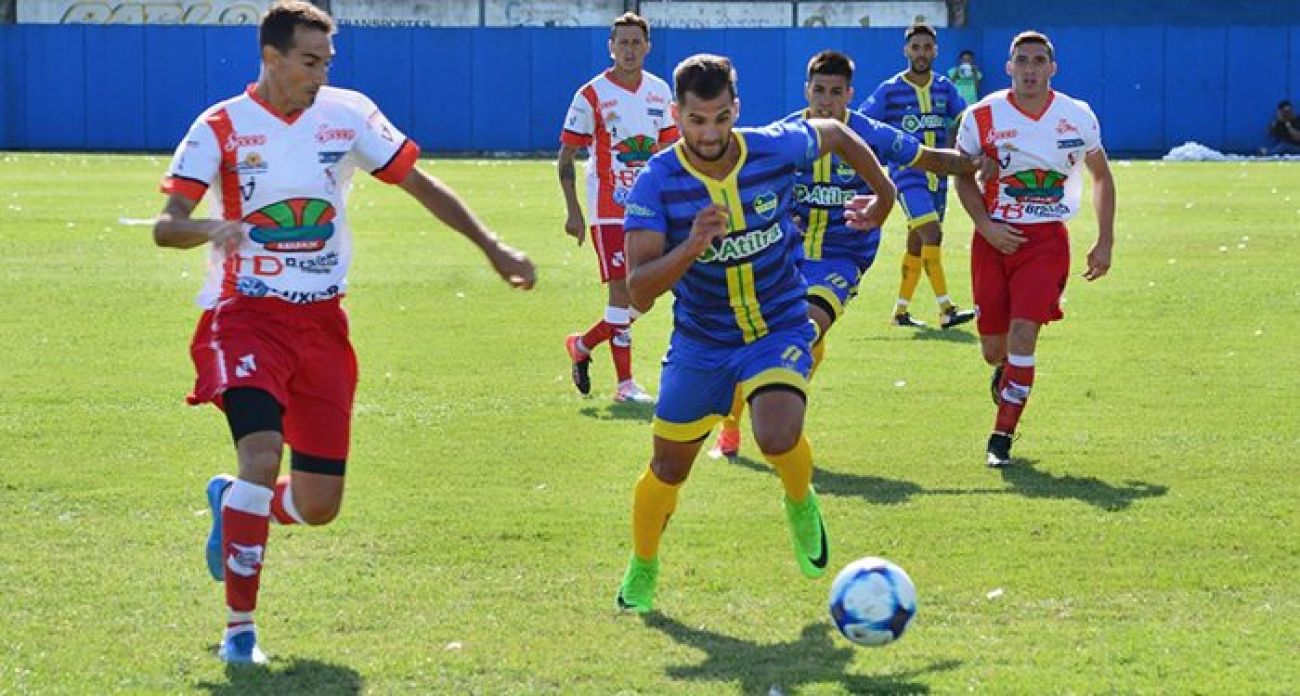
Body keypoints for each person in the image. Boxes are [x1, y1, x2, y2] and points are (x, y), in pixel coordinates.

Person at [153, 1, 536, 664]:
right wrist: (209, 228)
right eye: (309, 62)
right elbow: (168, 226)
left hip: (324, 322)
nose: (320, 75)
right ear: (271, 57)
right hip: (245, 315)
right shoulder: (219, 126)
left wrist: (492, 246)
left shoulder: (348, 114)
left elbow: (419, 184)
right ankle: (240, 634)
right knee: (261, 456)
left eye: (327, 62)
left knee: (318, 505)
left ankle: (237, 506)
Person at [614, 53, 895, 613]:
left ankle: (800, 500)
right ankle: (643, 565)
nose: (709, 133)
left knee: (776, 434)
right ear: (677, 115)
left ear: (736, 110)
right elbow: (639, 291)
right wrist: (691, 246)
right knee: (668, 468)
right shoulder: (657, 182)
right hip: (702, 340)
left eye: (721, 118)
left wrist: (884, 196)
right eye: (697, 120)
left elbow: (838, 134)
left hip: (779, 321)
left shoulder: (771, 147)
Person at [710, 50, 980, 460]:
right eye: (819, 91)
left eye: (836, 92)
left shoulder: (870, 134)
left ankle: (782, 416)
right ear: (807, 90)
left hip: (842, 257)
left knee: (803, 332)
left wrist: (978, 163)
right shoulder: (785, 136)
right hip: (784, 259)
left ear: (850, 95)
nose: (826, 101)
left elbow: (930, 159)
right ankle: (730, 425)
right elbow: (745, 183)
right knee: (759, 339)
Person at [952, 30, 1115, 467]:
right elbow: (962, 177)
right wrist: (986, 226)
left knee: (1024, 335)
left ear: (1052, 68)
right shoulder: (981, 115)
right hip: (992, 240)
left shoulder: (1077, 116)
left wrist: (1105, 240)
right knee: (994, 349)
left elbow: (1101, 175)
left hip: (1045, 243)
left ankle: (1001, 437)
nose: (1030, 69)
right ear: (1008, 67)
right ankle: (1004, 372)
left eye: (1038, 60)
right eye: (1021, 60)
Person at [558, 12, 677, 403]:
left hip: (651, 207)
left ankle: (583, 344)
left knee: (648, 292)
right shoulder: (591, 95)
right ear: (611, 47)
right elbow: (566, 156)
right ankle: (626, 385)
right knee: (622, 292)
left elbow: (670, 150)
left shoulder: (660, 91)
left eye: (636, 42)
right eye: (622, 42)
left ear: (648, 47)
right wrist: (574, 211)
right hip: (609, 207)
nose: (629, 49)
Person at [862, 23, 976, 329]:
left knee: (917, 242)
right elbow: (863, 123)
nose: (921, 53)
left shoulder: (944, 87)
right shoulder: (889, 90)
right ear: (906, 51)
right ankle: (947, 309)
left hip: (938, 177)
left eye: (927, 47)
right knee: (932, 234)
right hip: (907, 175)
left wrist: (958, 146)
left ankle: (900, 312)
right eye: (916, 47)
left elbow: (965, 117)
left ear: (935, 51)